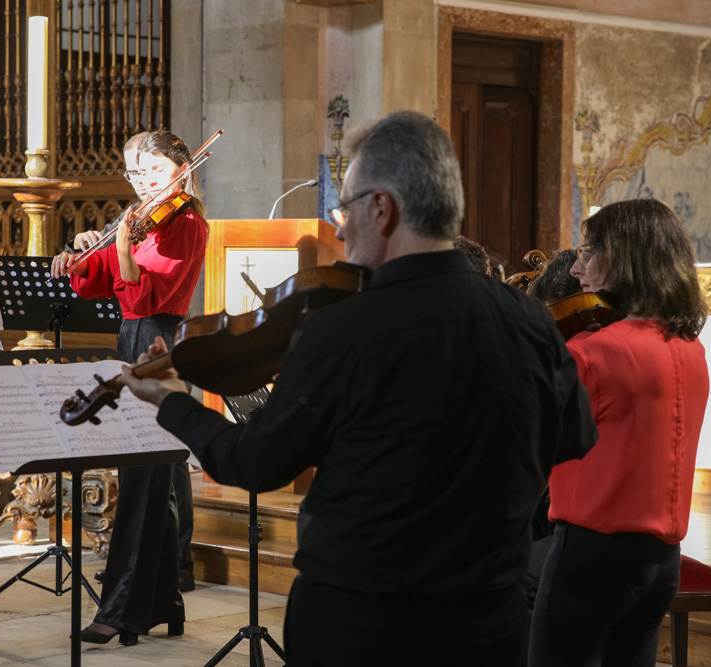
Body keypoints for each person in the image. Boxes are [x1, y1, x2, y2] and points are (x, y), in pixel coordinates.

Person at [116, 111, 597, 666]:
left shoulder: (340, 328)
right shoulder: (530, 320)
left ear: (382, 208)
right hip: (490, 622)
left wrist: (173, 401)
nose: (339, 229)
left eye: (343, 210)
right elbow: (574, 438)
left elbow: (252, 464)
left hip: (362, 624)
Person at [528, 199, 709, 667]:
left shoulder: (591, 352)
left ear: (626, 257)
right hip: (662, 562)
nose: (576, 269)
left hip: (590, 557)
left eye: (589, 252)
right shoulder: (691, 349)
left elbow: (531, 441)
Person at [51, 130, 208, 644]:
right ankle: (165, 602)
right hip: (133, 338)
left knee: (142, 481)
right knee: (151, 480)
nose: (144, 184)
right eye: (137, 174)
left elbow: (144, 295)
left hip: (159, 342)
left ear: (182, 169)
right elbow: (92, 281)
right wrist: (76, 256)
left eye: (154, 173)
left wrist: (121, 248)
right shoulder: (138, 218)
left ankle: (120, 609)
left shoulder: (185, 221)